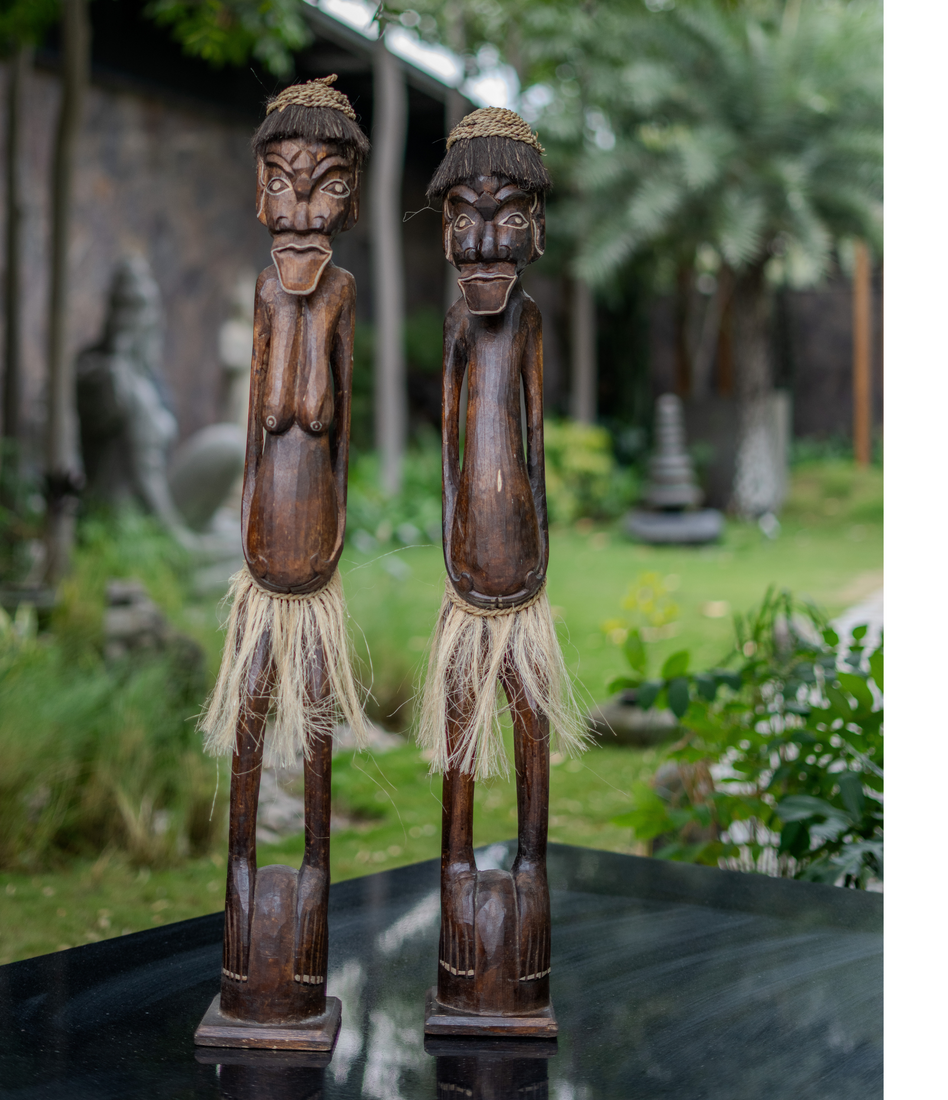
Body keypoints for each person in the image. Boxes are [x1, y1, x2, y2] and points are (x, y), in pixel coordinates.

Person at [200, 76, 370, 1023]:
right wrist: (252, 510)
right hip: (268, 541)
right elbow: (258, 406)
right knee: (252, 717)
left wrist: (336, 518)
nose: (303, 210)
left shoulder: (340, 293)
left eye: (327, 186)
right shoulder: (267, 289)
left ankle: (308, 877)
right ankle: (240, 877)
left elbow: (341, 429)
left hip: (316, 540)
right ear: (260, 192)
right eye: (284, 183)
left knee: (311, 724)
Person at [419, 108, 589, 1019]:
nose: (486, 237)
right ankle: (455, 853)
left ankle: (532, 857)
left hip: (521, 558)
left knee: (527, 719)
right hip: (467, 564)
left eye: (508, 211)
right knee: (458, 726)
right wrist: (451, 531)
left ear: (538, 227)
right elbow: (450, 440)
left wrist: (545, 541)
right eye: (465, 215)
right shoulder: (457, 323)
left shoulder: (528, 323)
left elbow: (535, 439)